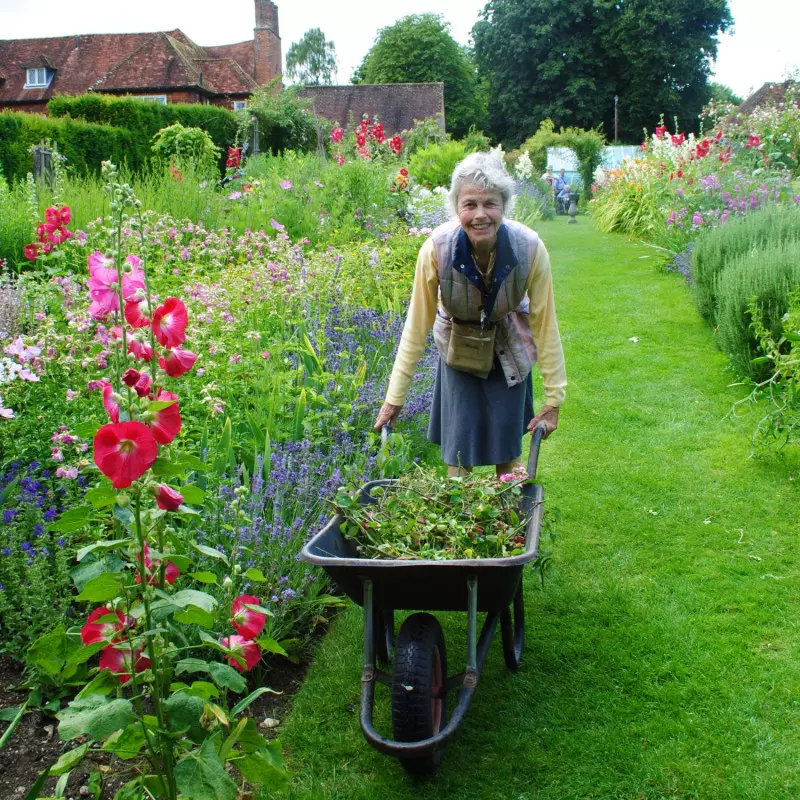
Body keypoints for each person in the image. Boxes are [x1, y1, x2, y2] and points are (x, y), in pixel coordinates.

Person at [374, 152, 566, 477]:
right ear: (456, 207)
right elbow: (415, 328)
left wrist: (554, 398)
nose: (480, 215)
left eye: (490, 203)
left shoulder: (531, 249)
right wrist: (394, 398)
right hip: (458, 353)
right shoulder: (436, 250)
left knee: (507, 456)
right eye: (470, 205)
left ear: (504, 206)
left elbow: (545, 325)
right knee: (458, 459)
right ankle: (458, 523)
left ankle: (508, 522)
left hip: (508, 354)